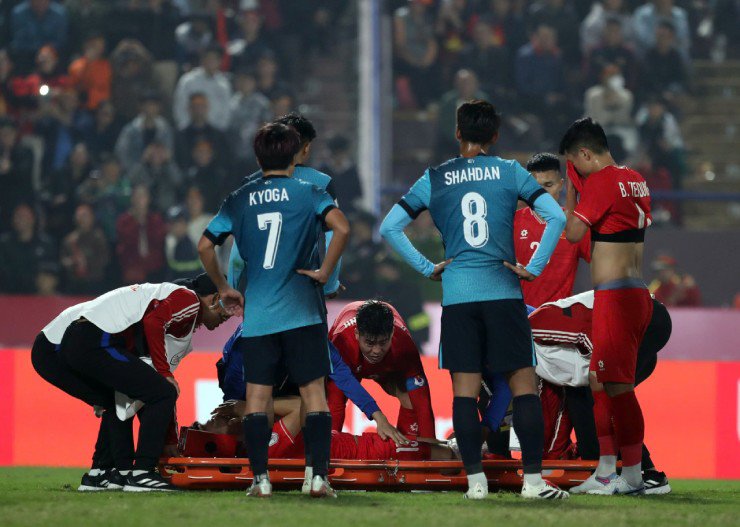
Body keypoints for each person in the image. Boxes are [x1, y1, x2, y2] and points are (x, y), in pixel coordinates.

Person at [379, 100, 568, 500]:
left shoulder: (435, 178)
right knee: (524, 387)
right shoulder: (510, 171)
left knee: (464, 393)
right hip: (503, 294)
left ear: (457, 133)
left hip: (459, 299)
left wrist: (426, 266)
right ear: (495, 136)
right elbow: (557, 216)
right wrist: (533, 267)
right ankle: (534, 483)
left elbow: (390, 227)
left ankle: (476, 484)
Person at [198, 122, 350, 498]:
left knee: (258, 398)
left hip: (260, 314)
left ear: (258, 158)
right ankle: (318, 479)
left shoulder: (240, 198)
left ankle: (260, 480)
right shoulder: (310, 192)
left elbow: (205, 245)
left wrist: (223, 287)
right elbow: (342, 228)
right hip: (303, 310)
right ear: (296, 155)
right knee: (314, 394)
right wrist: (325, 273)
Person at [30, 273, 231, 491]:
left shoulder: (164, 305)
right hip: (84, 339)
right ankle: (141, 473)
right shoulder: (188, 300)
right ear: (214, 298)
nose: (230, 314)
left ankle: (106, 473)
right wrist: (164, 374)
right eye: (229, 305)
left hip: (67, 343)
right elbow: (155, 325)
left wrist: (169, 437)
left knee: (117, 398)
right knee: (158, 392)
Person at [560, 117, 653, 495]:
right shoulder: (635, 178)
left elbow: (573, 233)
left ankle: (631, 476)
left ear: (584, 154)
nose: (575, 171)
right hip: (632, 292)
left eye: (573, 163)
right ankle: (605, 471)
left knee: (619, 389)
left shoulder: (601, 182)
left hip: (617, 298)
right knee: (600, 381)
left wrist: (571, 192)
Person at [528, 290, 673, 494]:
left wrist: (600, 369)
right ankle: (604, 472)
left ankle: (646, 475)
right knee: (582, 396)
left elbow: (584, 332)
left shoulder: (535, 325)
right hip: (629, 323)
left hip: (643, 320)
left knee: (606, 393)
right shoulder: (533, 346)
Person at [228, 112, 342, 297]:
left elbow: (237, 252)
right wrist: (330, 284)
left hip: (260, 293)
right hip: (303, 294)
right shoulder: (322, 183)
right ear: (307, 147)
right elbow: (334, 239)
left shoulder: (251, 184)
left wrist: (230, 290)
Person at [193, 397, 454, 463]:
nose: (214, 417)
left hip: (362, 446)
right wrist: (246, 407)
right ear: (221, 440)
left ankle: (463, 447)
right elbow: (303, 405)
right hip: (368, 455)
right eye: (208, 424)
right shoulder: (265, 447)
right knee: (448, 458)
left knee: (442, 448)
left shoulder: (259, 440)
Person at [328, 300, 436, 441]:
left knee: (410, 397)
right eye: (370, 343)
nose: (377, 351)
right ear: (357, 334)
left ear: (392, 334)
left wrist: (431, 446)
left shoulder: (404, 345)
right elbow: (341, 393)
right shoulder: (342, 342)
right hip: (350, 361)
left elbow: (423, 403)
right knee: (334, 399)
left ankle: (406, 449)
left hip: (386, 366)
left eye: (383, 343)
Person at [513, 153, 591, 308]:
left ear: (561, 185)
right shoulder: (512, 223)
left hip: (557, 317)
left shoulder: (573, 226)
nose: (541, 194)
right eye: (535, 187)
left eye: (548, 185)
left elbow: (603, 264)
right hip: (518, 315)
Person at [172, 44, 232, 131]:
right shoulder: (188, 80)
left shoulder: (224, 84)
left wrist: (219, 132)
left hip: (216, 132)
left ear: (220, 62)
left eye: (214, 59)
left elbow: (226, 112)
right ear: (202, 60)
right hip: (190, 131)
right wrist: (185, 129)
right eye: (208, 58)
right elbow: (179, 106)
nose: (211, 62)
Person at [114, 91, 174, 171]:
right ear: (141, 107)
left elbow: (170, 152)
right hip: (136, 172)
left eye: (153, 105)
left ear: (159, 107)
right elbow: (121, 152)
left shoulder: (165, 130)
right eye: (147, 105)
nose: (150, 108)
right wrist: (141, 162)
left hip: (162, 172)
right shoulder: (130, 130)